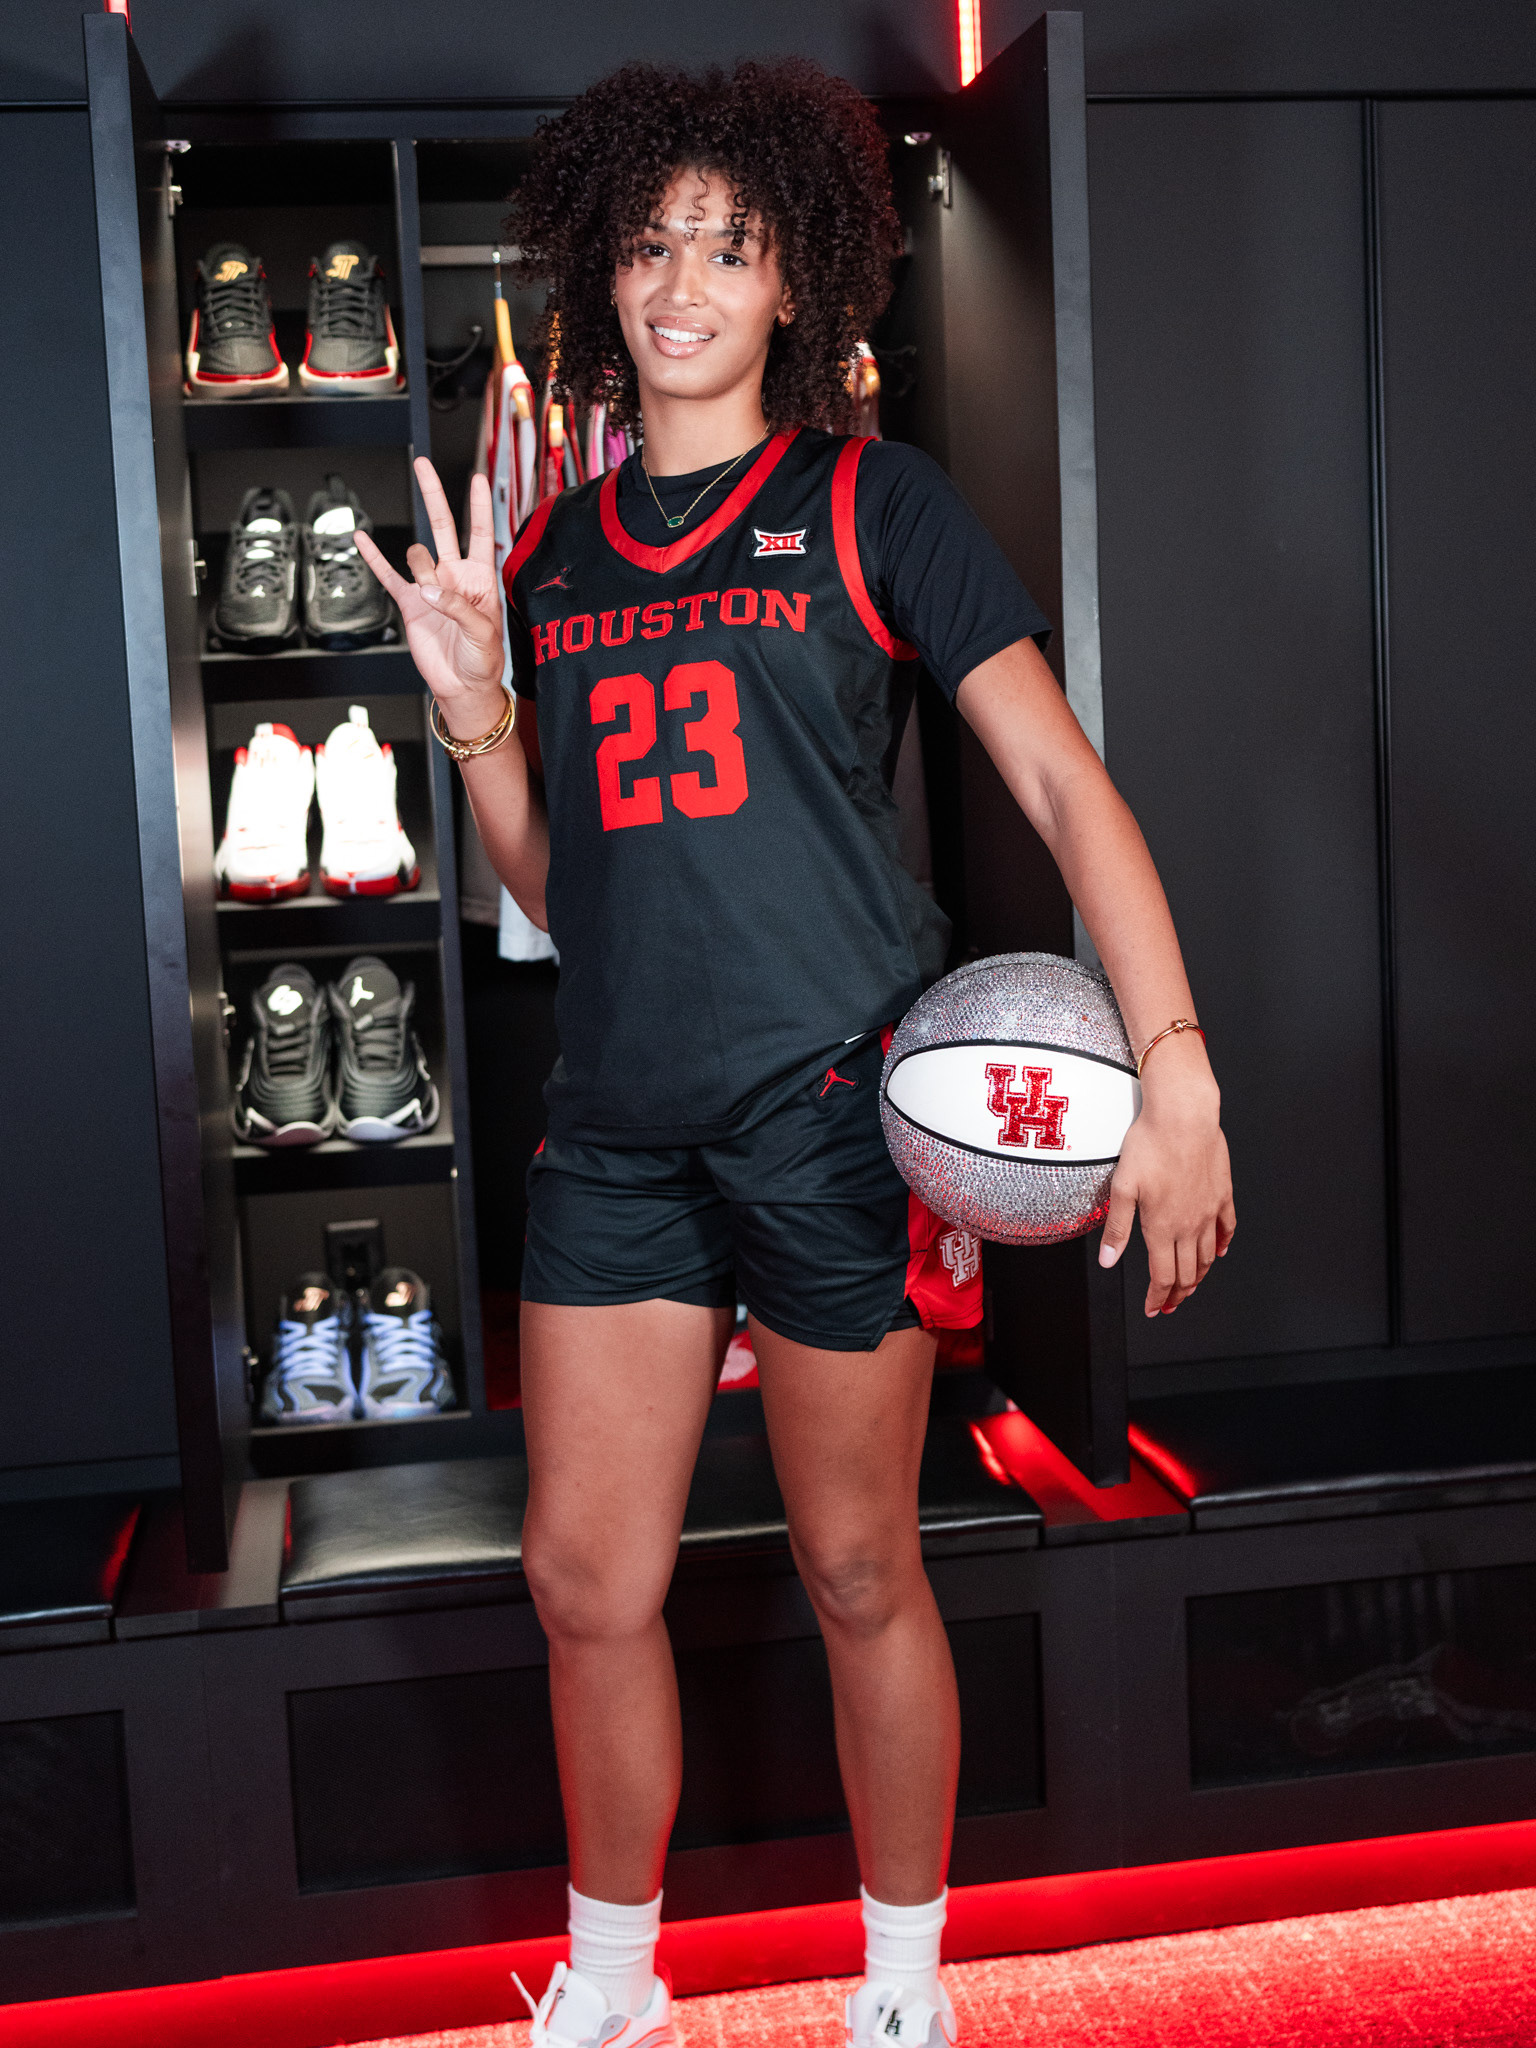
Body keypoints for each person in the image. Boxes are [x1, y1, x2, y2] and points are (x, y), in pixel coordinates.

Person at [357, 57, 1235, 2048]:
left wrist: (1173, 1061)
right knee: (585, 1582)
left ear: (793, 283)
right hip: (621, 1128)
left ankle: (901, 1992)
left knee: (855, 1567)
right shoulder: (557, 551)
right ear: (603, 269)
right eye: (653, 243)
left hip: (839, 1117)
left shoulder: (870, 501)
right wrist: (478, 711)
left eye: (730, 249)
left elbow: (1063, 786)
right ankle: (612, 1984)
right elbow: (568, 888)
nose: (683, 283)